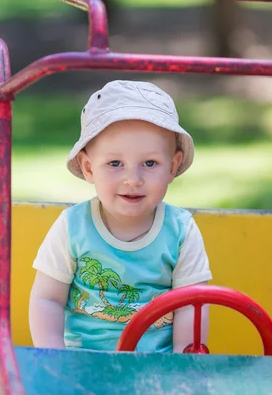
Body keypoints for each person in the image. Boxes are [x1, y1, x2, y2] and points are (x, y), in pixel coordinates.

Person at [28, 80, 212, 353]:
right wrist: (55, 359)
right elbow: (47, 300)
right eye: (115, 164)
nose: (133, 180)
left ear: (172, 167)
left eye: (150, 163)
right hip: (83, 366)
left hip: (156, 370)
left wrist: (181, 369)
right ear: (89, 168)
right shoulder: (73, 226)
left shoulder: (180, 231)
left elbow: (192, 306)